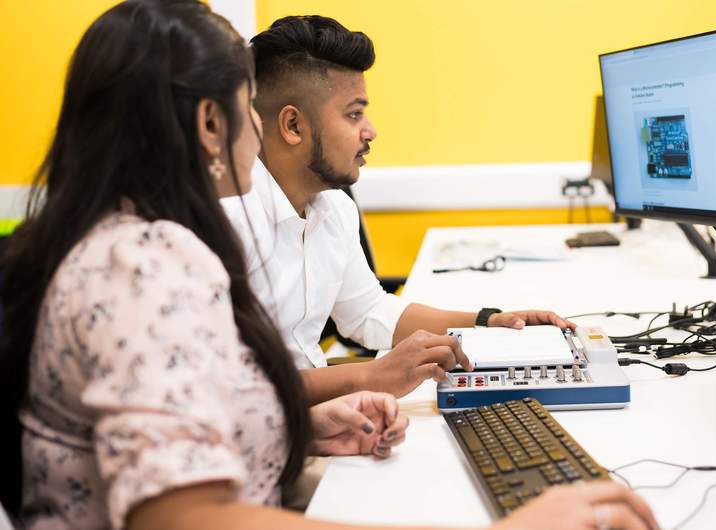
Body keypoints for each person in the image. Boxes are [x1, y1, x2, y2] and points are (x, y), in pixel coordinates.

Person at [0, 2, 658, 530]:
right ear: (210, 123)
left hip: (273, 473)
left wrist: (295, 427)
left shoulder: (124, 242)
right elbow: (180, 514)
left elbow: (184, 410)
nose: (252, 136)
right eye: (244, 108)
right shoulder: (149, 267)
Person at [221, 15, 577, 403]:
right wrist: (370, 376)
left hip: (307, 418)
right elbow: (230, 389)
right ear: (293, 126)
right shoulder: (224, 225)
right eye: (353, 114)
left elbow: (369, 312)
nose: (370, 130)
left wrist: (488, 322)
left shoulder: (333, 209)